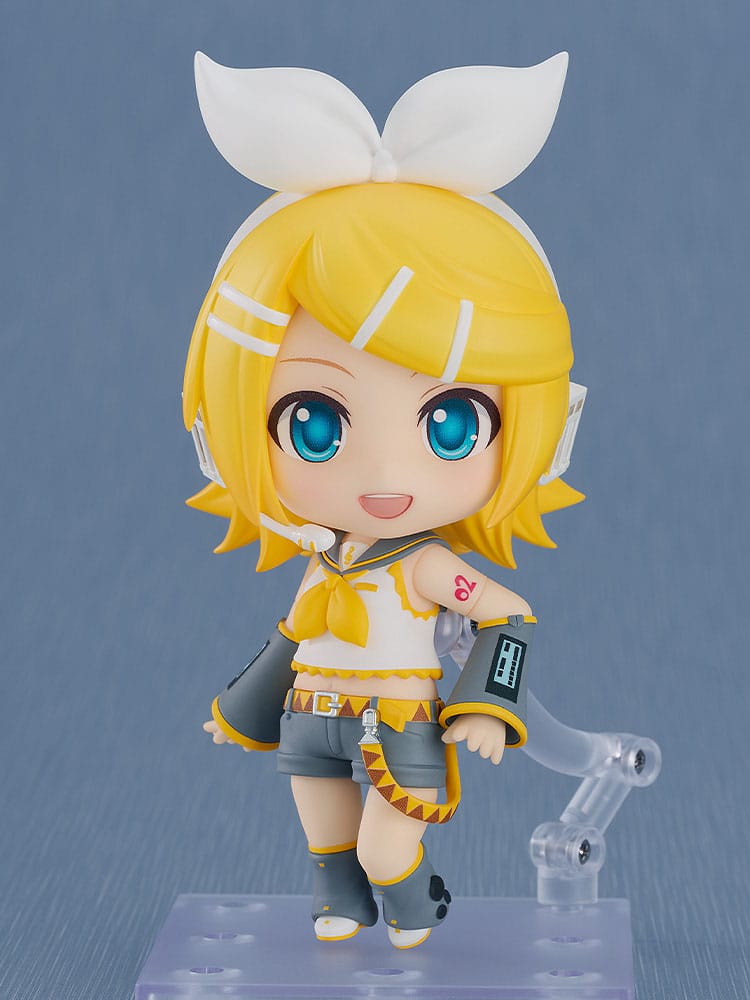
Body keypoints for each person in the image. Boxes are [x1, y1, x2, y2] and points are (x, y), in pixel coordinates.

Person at [184, 52, 583, 950]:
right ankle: (342, 903)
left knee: (383, 845)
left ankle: (411, 905)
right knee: (326, 839)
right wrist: (241, 709)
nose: (385, 471)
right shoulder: (323, 555)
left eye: (450, 423)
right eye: (316, 425)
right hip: (310, 717)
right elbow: (291, 638)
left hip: (395, 721)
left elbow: (508, 616)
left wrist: (487, 703)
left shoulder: (426, 565)